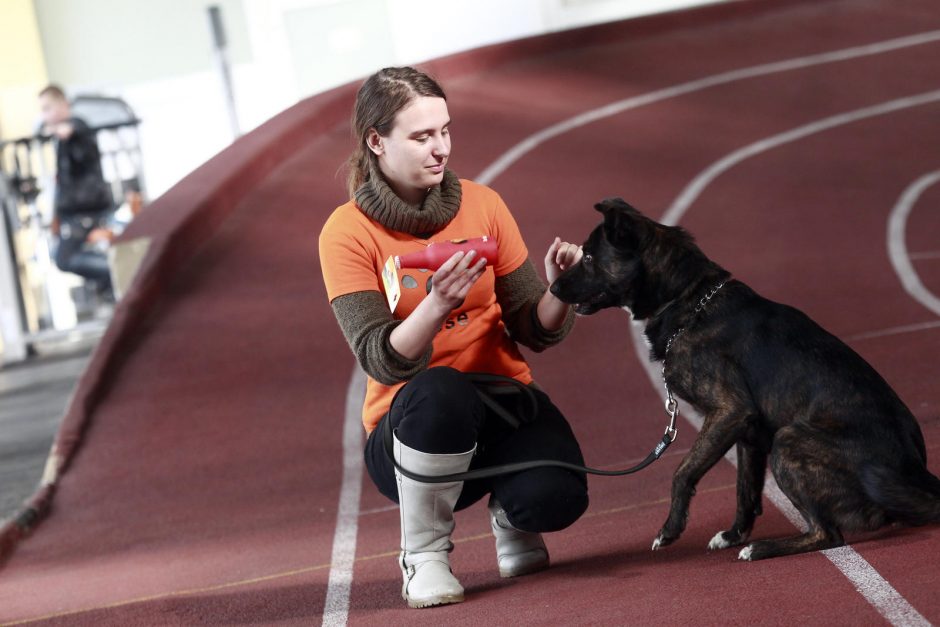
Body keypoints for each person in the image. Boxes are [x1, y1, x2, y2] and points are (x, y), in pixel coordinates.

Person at [319, 66, 589, 609]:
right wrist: (438, 305)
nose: (440, 148)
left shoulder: (484, 204)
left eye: (444, 130)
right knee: (442, 389)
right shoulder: (346, 233)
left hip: (501, 404)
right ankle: (423, 555)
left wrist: (563, 291)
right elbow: (381, 358)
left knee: (558, 498)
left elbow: (533, 329)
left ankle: (512, 518)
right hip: (411, 429)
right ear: (376, 142)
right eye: (421, 136)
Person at [38, 84, 113, 293]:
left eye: (47, 108)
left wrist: (55, 129)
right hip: (75, 212)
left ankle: (114, 271)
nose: (44, 115)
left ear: (63, 105)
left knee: (64, 258)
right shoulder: (63, 138)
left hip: (86, 210)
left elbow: (70, 129)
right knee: (63, 258)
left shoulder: (78, 127)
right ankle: (108, 280)